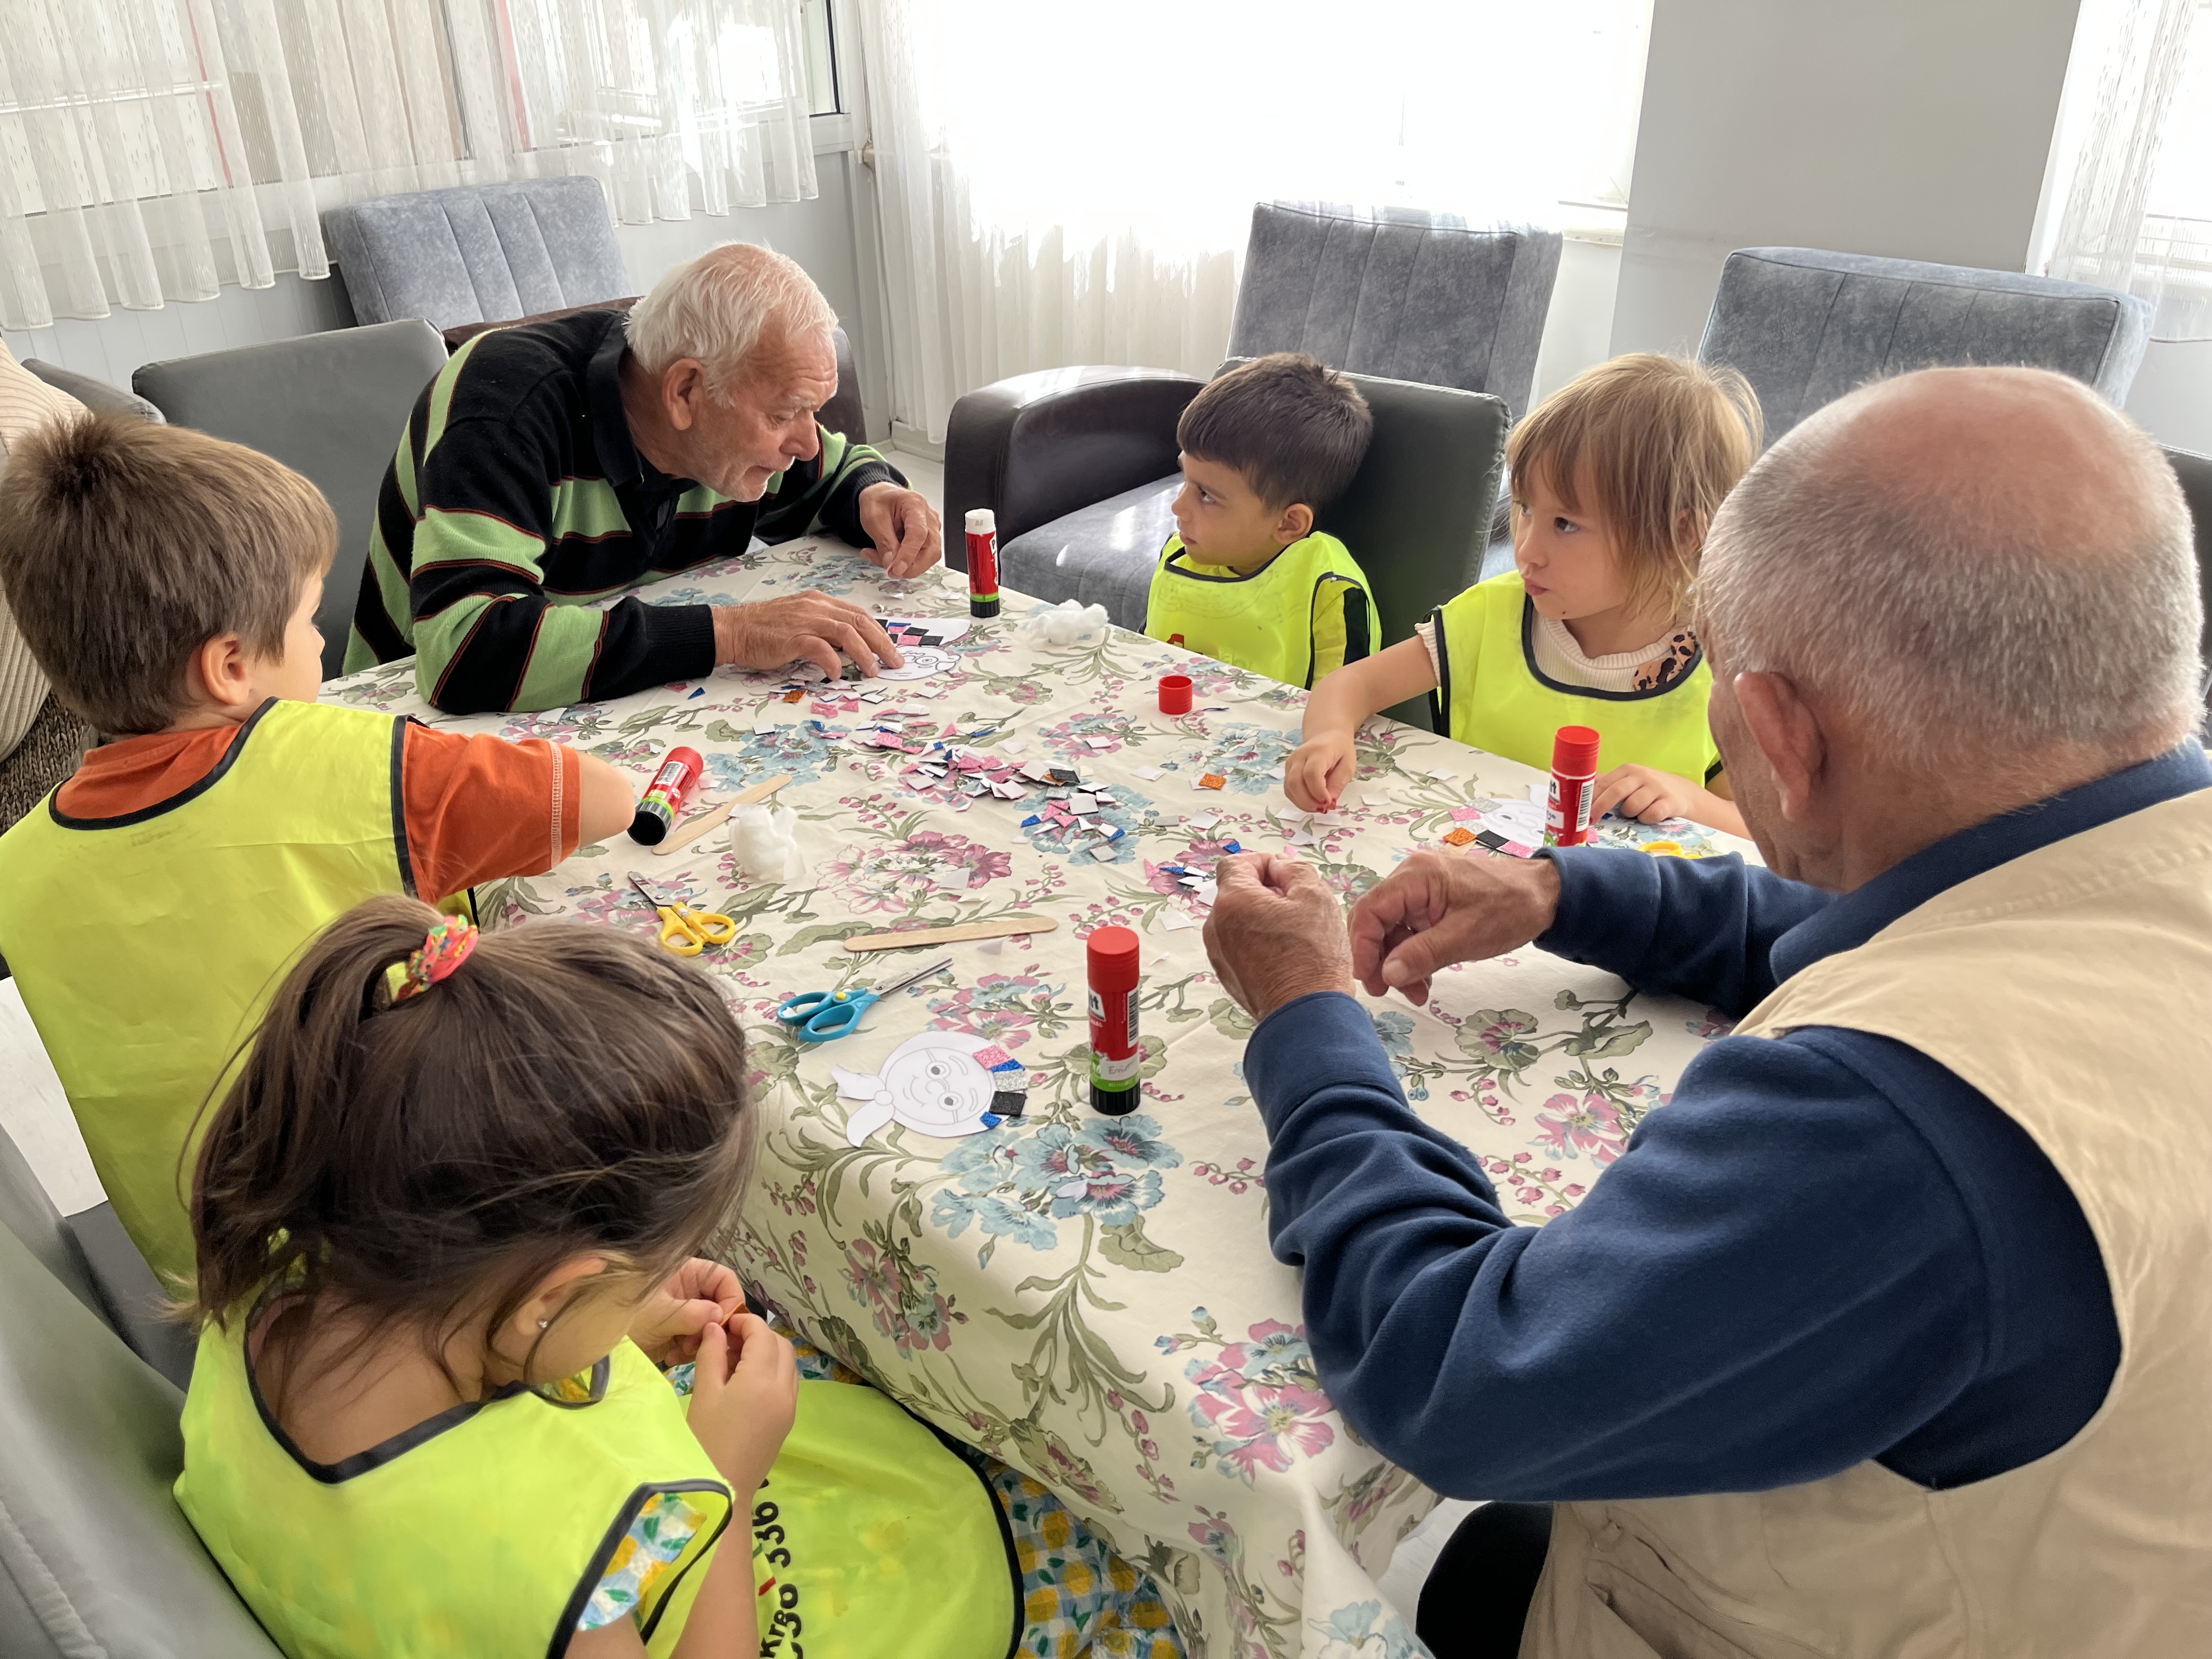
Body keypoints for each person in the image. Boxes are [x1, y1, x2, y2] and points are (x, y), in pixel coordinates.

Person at [1203, 367, 2211, 1658]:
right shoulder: (2110, 840)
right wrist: (1556, 888)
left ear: (1777, 737)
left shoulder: (1899, 1123)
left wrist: (1307, 1017)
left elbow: (1458, 1377)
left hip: (1825, 1612)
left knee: (1338, 1552)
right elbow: (1877, 920)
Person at [176, 896, 1188, 1659]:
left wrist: (617, 1323)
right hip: (686, 1585)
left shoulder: (279, 1293)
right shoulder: (559, 1557)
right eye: (640, 1272)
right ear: (551, 1293)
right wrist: (720, 1487)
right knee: (1107, 1554)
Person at [0, 415, 635, 1290]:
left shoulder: (16, 870)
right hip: (424, 1264)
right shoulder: (356, 768)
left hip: (216, 1283)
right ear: (229, 668)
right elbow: (605, 797)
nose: (321, 643)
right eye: (306, 620)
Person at [346, 241, 944, 715]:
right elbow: (465, 648)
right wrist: (730, 634)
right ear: (685, 391)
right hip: (422, 731)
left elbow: (833, 474)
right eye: (784, 413)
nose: (807, 440)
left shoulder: (720, 422)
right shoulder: (505, 404)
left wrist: (878, 493)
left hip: (617, 709)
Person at [1284, 354, 1759, 834]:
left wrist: (1691, 800)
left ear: (1680, 534)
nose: (1527, 550)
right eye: (1526, 508)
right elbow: (1352, 686)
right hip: (1472, 879)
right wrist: (1328, 736)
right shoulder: (1493, 614)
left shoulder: (1726, 669)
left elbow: (1764, 831)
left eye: (1567, 524)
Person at [1142, 352, 1379, 689]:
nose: (1178, 507)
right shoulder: (1180, 554)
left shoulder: (1329, 591)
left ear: (1289, 524)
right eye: (1185, 480)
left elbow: (1341, 711)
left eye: (1207, 495)